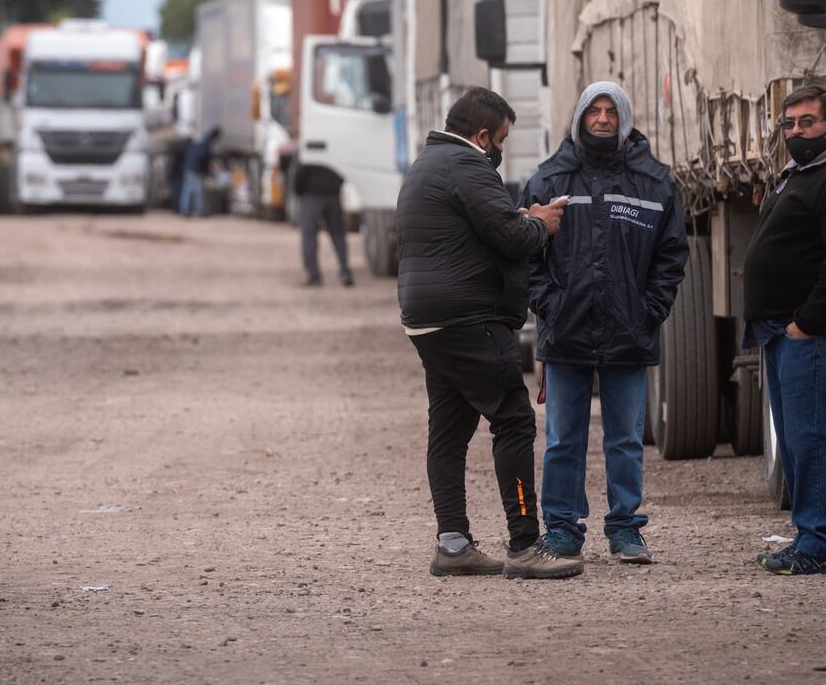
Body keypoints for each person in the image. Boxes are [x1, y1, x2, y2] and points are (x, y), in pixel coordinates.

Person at [396, 86, 583, 580]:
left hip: (428, 320)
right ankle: (524, 545)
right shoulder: (468, 165)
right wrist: (540, 223)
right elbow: (511, 237)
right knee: (514, 421)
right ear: (482, 136)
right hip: (468, 318)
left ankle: (453, 544)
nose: (501, 149)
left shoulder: (426, 166)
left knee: (450, 431)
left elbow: (468, 232)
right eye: (500, 139)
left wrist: (517, 219)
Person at [521, 82, 688, 565]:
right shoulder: (549, 181)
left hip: (628, 331)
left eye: (610, 112)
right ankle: (562, 530)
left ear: (624, 118)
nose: (601, 120)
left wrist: (649, 309)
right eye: (592, 111)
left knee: (625, 438)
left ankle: (625, 530)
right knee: (563, 439)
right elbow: (527, 253)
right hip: (565, 330)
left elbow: (672, 255)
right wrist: (549, 305)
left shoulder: (653, 182)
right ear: (578, 118)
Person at [743, 83, 826, 575]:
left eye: (807, 123)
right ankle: (809, 538)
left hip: (816, 334)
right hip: (785, 332)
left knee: (818, 437)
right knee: (800, 438)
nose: (797, 132)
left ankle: (821, 545)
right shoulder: (798, 175)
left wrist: (807, 322)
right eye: (790, 124)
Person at [293, 162, 353, 287]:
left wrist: (298, 190)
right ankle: (345, 271)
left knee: (309, 236)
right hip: (332, 194)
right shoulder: (335, 144)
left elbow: (300, 170)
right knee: (338, 235)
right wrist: (336, 184)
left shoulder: (308, 143)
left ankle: (313, 276)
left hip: (310, 195)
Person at [179, 126, 219, 217]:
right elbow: (205, 158)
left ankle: (184, 210)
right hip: (195, 169)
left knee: (187, 190)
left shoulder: (201, 140)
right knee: (198, 191)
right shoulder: (207, 144)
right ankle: (199, 211)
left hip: (188, 168)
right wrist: (208, 171)